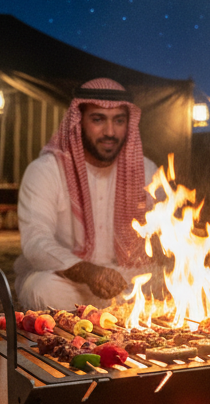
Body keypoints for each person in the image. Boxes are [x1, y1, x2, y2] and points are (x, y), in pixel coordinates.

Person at [14, 78, 158, 309]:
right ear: (78, 122)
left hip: (128, 281)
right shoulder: (46, 170)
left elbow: (166, 232)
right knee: (42, 290)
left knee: (173, 281)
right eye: (98, 119)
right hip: (69, 280)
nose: (110, 132)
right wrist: (86, 271)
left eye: (119, 121)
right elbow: (35, 241)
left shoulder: (147, 170)